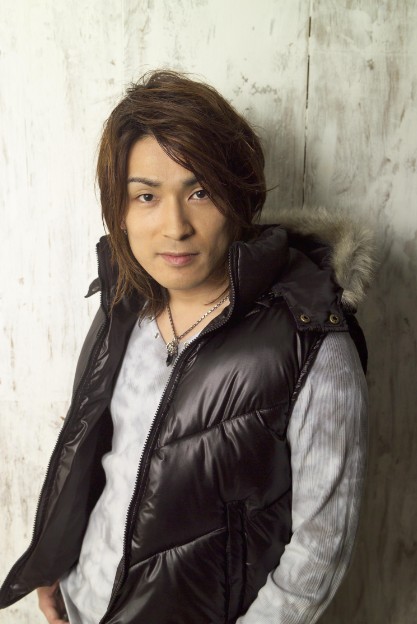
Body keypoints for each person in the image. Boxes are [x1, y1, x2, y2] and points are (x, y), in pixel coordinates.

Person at [0, 70, 371, 624]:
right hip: (85, 601)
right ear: (120, 210)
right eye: (146, 196)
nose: (175, 226)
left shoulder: (310, 341)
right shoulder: (124, 304)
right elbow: (93, 452)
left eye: (200, 192)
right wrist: (55, 560)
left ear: (239, 196)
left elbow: (319, 554)